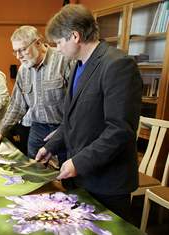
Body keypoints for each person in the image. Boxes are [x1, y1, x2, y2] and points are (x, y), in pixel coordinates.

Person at [36, 4, 142, 220]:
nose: (57, 49)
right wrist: (51, 145)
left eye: (58, 42)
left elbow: (120, 130)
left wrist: (78, 162)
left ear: (74, 36)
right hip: (82, 178)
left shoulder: (118, 65)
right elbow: (71, 119)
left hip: (107, 182)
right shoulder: (78, 65)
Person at [0, 26, 72, 159]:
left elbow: (79, 103)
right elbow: (16, 105)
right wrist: (1, 132)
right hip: (38, 127)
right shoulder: (23, 70)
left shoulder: (64, 60)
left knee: (65, 171)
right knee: (34, 170)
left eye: (22, 50)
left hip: (64, 127)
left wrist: (64, 130)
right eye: (15, 51)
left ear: (38, 43)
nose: (18, 56)